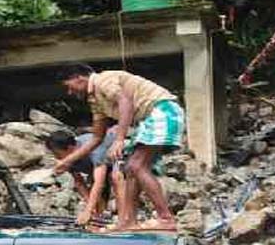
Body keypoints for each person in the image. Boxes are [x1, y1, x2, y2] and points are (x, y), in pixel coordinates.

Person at [53, 64, 184, 230]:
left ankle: (166, 218)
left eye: (68, 87)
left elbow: (126, 101)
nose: (70, 92)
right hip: (150, 118)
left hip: (162, 111)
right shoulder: (95, 101)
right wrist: (68, 161)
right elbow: (97, 138)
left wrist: (119, 139)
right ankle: (128, 221)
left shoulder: (102, 80)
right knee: (130, 168)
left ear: (79, 77)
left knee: (137, 165)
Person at [45, 129, 124, 226]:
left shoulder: (94, 149)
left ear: (70, 148)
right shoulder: (68, 158)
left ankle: (124, 218)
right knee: (95, 199)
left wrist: (88, 210)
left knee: (115, 178)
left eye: (57, 153)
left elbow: (99, 183)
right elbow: (79, 182)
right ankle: (100, 218)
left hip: (118, 158)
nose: (56, 157)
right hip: (94, 167)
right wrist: (91, 206)